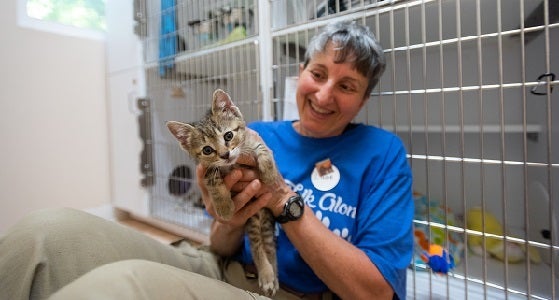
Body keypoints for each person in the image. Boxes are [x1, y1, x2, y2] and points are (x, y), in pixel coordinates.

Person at [0, 21, 413, 300]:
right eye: (318, 74)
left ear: (363, 99)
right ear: (301, 70)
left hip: (287, 292)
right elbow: (221, 242)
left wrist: (282, 199)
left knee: (121, 288)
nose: (324, 95)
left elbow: (375, 292)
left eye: (347, 86)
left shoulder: (382, 153)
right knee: (44, 233)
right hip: (218, 264)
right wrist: (227, 215)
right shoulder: (258, 134)